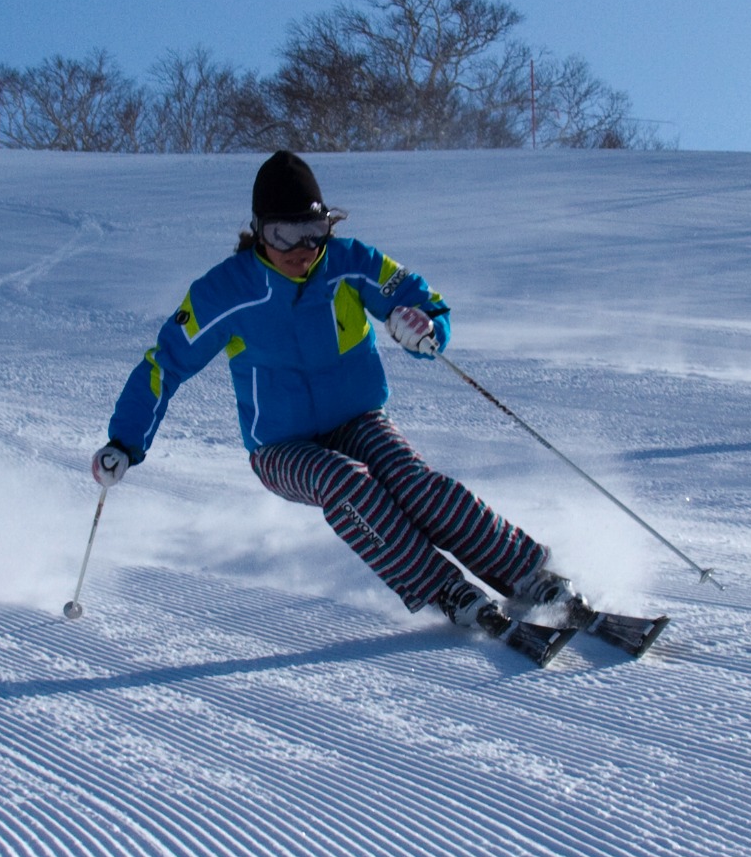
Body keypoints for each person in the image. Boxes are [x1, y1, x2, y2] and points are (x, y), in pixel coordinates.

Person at [93, 150, 583, 635]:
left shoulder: (350, 263)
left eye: (313, 231)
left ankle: (527, 575)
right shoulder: (225, 291)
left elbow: (419, 298)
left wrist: (423, 325)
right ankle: (444, 588)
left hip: (358, 419)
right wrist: (124, 442)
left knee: (411, 481)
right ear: (259, 231)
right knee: (345, 482)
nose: (301, 248)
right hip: (281, 449)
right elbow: (166, 364)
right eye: (282, 234)